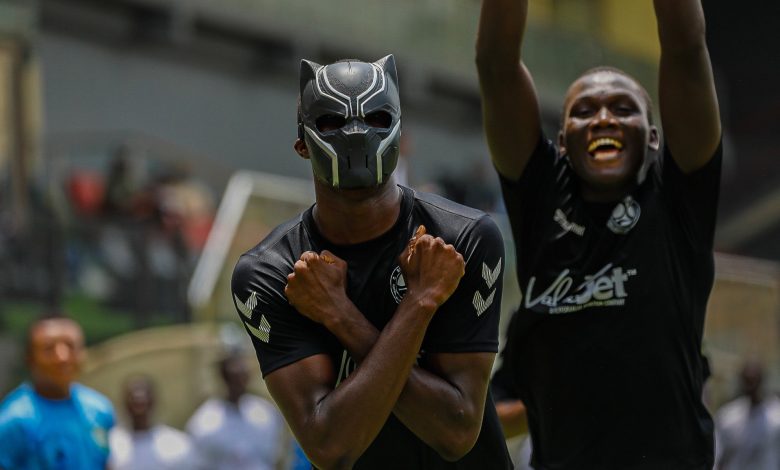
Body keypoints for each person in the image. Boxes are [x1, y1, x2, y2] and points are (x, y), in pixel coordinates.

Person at [231, 55, 512, 469]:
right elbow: (331, 446)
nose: (356, 134)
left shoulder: (462, 240)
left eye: (376, 117)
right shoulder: (271, 274)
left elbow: (455, 432)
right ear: (302, 146)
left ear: (400, 135)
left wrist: (343, 317)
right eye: (332, 123)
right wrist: (420, 302)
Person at [476, 0, 722, 468]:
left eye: (623, 109)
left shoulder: (678, 202)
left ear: (653, 137)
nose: (604, 118)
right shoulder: (541, 199)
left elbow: (686, 47)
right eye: (584, 111)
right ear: (563, 141)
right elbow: (495, 62)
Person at [0, 315, 115, 469]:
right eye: (49, 349)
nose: (62, 357)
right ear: (30, 359)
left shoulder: (100, 409)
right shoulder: (14, 419)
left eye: (71, 346)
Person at [186, 353, 287, 470]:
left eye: (242, 377)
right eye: (233, 378)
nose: (239, 383)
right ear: (223, 377)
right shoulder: (203, 421)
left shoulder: (265, 412)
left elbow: (277, 458)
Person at [109, 375, 195, 469]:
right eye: (133, 400)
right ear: (124, 404)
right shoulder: (111, 446)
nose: (138, 399)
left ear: (154, 401)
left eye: (143, 399)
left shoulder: (178, 444)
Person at [714, 360, 780, 470]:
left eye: (755, 381)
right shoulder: (728, 417)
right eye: (748, 382)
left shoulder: (776, 416)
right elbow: (718, 456)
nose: (752, 387)